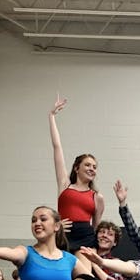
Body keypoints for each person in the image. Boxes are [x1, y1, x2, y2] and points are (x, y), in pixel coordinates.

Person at [50, 95, 104, 251]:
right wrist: (52, 116)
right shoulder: (65, 184)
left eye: (94, 167)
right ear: (76, 168)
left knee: (83, 274)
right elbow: (57, 147)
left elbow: (96, 227)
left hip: (86, 238)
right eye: (87, 165)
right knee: (63, 274)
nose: (92, 169)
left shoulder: (97, 197)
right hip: (64, 235)